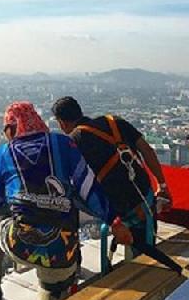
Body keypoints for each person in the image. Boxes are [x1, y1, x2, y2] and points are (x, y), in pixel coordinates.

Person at [0, 102, 130, 300]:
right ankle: (71, 274)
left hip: (20, 243)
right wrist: (113, 220)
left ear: (12, 128)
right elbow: (88, 187)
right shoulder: (63, 144)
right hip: (61, 250)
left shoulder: (3, 154)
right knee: (69, 201)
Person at [51, 96, 171, 253]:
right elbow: (147, 151)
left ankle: (73, 248)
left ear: (62, 123)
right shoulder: (114, 122)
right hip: (144, 196)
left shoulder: (74, 142)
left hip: (118, 208)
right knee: (145, 245)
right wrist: (162, 185)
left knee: (67, 192)